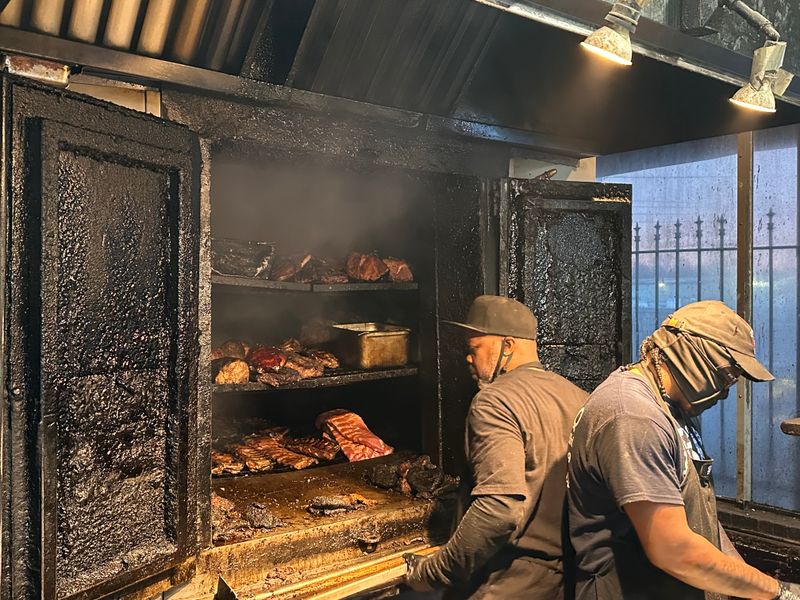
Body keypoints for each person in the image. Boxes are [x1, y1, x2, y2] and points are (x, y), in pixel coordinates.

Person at [567, 300, 800, 600]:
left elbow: (699, 514)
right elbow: (672, 548)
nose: (726, 391)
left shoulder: (675, 409)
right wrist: (778, 592)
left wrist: (745, 588)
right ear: (693, 354)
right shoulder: (634, 416)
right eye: (727, 375)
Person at [404, 295, 588, 598]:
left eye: (474, 348)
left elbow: (499, 509)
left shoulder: (495, 401)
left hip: (505, 583)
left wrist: (433, 573)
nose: (467, 358)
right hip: (564, 582)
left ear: (508, 345)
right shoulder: (578, 397)